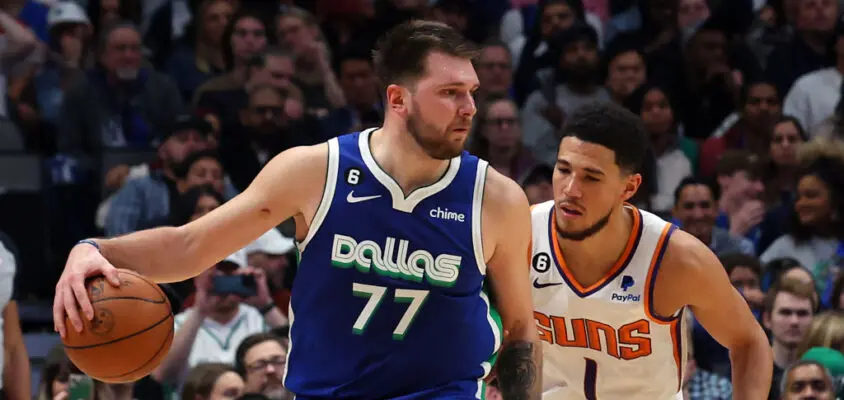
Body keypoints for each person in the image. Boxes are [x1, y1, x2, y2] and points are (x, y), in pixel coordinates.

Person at [52, 20, 541, 400]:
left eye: (472, 92)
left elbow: (521, 330)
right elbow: (190, 246)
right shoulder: (315, 171)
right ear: (398, 99)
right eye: (450, 93)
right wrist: (95, 249)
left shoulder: (496, 198)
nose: (469, 109)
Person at [529, 103, 772, 399]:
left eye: (591, 177)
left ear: (629, 188)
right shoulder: (522, 234)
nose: (570, 190)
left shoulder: (677, 258)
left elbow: (748, 341)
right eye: (564, 169)